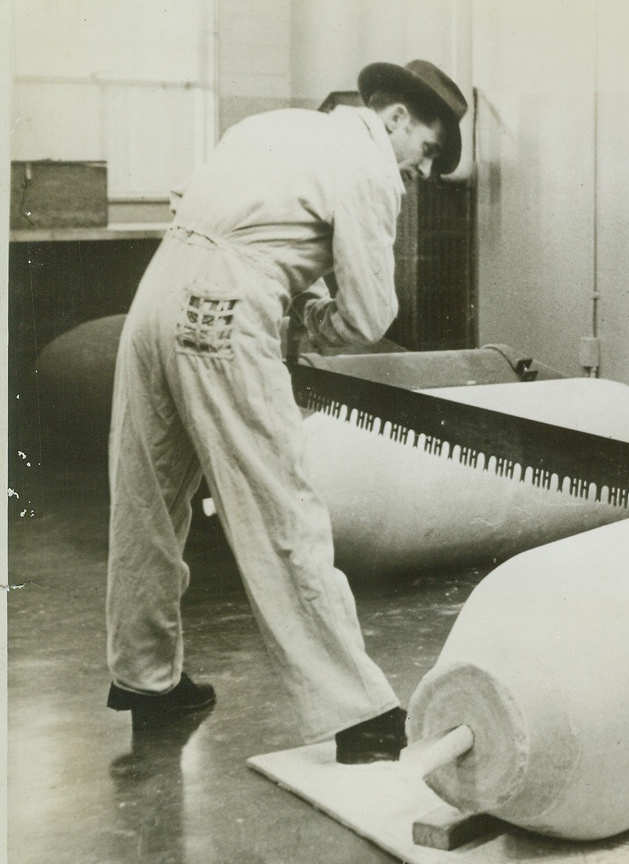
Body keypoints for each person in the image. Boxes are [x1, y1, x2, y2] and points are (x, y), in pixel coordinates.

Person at [104, 59, 468, 764]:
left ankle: (145, 680)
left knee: (145, 500)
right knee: (280, 506)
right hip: (222, 313)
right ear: (395, 118)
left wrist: (288, 293)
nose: (423, 171)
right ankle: (358, 713)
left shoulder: (273, 126)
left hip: (154, 295)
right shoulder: (369, 168)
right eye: (427, 149)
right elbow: (369, 314)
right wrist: (313, 321)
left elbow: (210, 212)